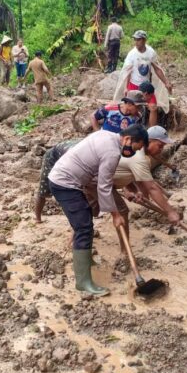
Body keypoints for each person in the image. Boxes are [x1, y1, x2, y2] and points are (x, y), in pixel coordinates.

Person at [48, 124, 148, 296]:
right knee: (84, 229)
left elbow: (100, 177)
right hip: (65, 183)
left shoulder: (106, 134)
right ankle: (83, 282)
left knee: (86, 220)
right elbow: (104, 186)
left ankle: (85, 261)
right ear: (127, 139)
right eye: (135, 148)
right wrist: (115, 214)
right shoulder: (113, 152)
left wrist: (127, 189)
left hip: (68, 180)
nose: (133, 153)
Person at [34, 139, 81, 223]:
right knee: (43, 189)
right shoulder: (77, 157)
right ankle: (37, 218)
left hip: (66, 153)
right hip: (52, 157)